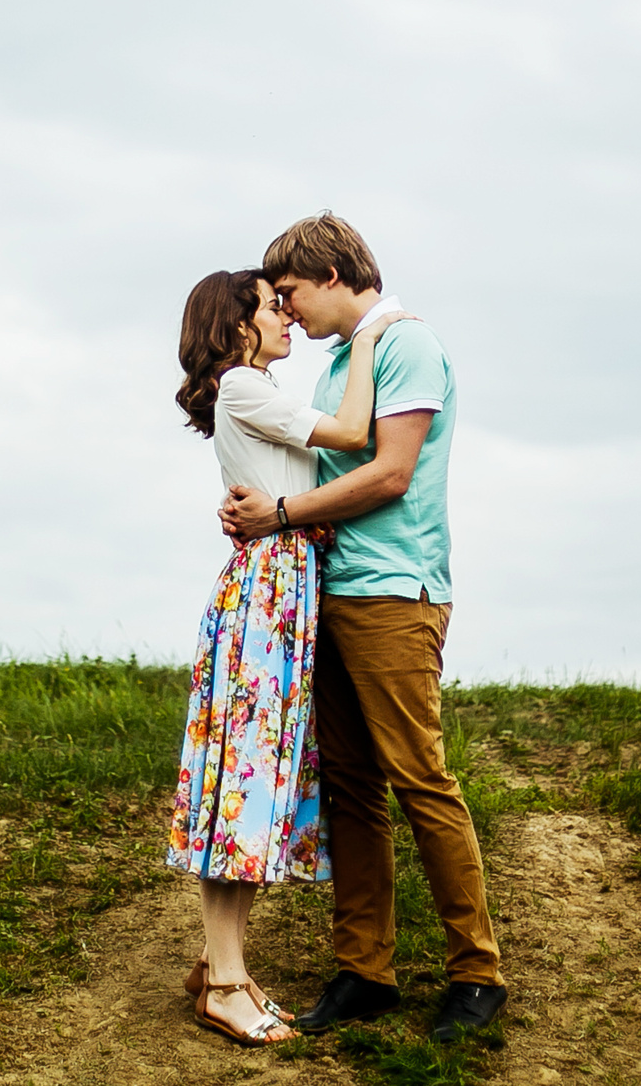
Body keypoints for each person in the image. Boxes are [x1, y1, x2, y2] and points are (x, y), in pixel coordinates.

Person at [219, 214, 509, 1044]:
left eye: (290, 292)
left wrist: (279, 512)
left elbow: (390, 473)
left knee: (420, 779)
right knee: (350, 787)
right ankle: (365, 972)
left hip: (392, 591)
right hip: (330, 591)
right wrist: (251, 500)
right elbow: (314, 460)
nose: (286, 309)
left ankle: (477, 976)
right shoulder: (341, 363)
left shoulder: (406, 344)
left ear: (333, 275)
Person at [168, 267, 408, 1047]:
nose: (287, 319)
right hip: (267, 599)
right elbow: (352, 433)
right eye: (272, 308)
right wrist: (368, 338)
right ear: (236, 325)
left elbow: (289, 480)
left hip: (281, 590)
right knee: (244, 786)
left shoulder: (250, 390)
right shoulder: (242, 383)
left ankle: (221, 967)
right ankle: (223, 984)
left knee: (256, 784)